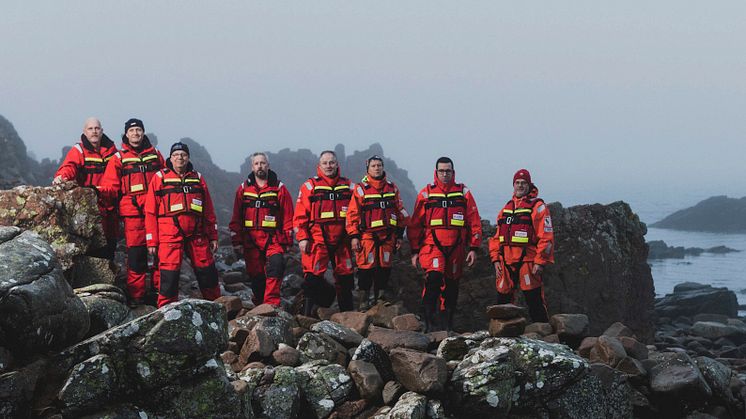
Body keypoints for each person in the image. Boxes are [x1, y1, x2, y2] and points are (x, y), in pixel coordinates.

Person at [408, 157, 482, 332]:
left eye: (448, 171)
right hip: (433, 245)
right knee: (433, 279)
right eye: (441, 171)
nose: (445, 174)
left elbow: (474, 220)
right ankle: (428, 322)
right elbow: (415, 224)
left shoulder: (463, 193)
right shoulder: (426, 193)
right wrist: (414, 250)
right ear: (436, 172)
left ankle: (446, 323)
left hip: (456, 247)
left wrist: (474, 248)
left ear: (453, 172)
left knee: (452, 285)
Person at [144, 142, 220, 307]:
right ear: (170, 158)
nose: (180, 158)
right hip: (169, 233)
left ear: (188, 158)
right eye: (176, 155)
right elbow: (150, 212)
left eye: (183, 155)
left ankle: (217, 307)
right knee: (169, 275)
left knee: (208, 271)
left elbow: (208, 210)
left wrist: (213, 236)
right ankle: (166, 311)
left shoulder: (197, 178)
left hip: (197, 233)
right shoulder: (160, 178)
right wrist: (151, 240)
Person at [100, 118, 165, 306]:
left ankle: (159, 292)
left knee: (161, 254)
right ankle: (137, 296)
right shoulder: (119, 159)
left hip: (156, 213)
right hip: (133, 216)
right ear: (126, 134)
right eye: (132, 130)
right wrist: (96, 191)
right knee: (136, 256)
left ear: (143, 133)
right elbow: (110, 186)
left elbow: (167, 180)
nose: (135, 133)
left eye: (138, 130)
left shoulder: (156, 155)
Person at [293, 150, 355, 315]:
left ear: (337, 164)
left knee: (346, 278)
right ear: (319, 166)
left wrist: (356, 236)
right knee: (312, 277)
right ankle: (305, 317)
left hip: (343, 240)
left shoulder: (350, 186)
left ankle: (347, 317)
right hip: (317, 239)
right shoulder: (309, 186)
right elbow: (299, 216)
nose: (329, 166)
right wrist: (302, 238)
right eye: (325, 163)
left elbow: (358, 213)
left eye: (332, 162)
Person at [489, 169, 554, 323]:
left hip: (528, 261)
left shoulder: (538, 207)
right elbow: (496, 237)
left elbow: (546, 237)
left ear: (529, 185)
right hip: (505, 261)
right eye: (517, 183)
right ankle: (501, 337)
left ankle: (544, 334)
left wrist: (540, 262)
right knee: (502, 301)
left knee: (534, 300)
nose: (520, 186)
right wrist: (496, 259)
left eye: (523, 183)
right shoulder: (506, 208)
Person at [229, 152, 294, 307]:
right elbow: (236, 217)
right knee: (256, 277)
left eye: (263, 163)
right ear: (252, 167)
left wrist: (287, 241)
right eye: (257, 163)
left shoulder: (279, 188)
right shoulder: (243, 189)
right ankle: (259, 305)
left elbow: (288, 216)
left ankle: (271, 305)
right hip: (250, 240)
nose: (260, 166)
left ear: (268, 166)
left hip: (273, 239)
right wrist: (236, 240)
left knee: (276, 266)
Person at [346, 155, 408, 309]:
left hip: (388, 236)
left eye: (379, 165)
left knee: (384, 268)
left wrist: (399, 235)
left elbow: (400, 211)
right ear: (368, 169)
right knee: (365, 268)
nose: (377, 168)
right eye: (373, 166)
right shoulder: (360, 189)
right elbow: (352, 215)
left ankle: (380, 300)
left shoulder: (392, 188)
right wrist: (354, 236)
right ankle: (363, 302)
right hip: (367, 236)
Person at [53, 117, 119, 259]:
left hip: (110, 208)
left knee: (110, 248)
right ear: (84, 132)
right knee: (92, 250)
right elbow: (69, 166)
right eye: (90, 129)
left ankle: (110, 279)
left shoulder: (113, 152)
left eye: (97, 128)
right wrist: (62, 177)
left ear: (102, 131)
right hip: (89, 207)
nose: (94, 131)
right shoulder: (79, 150)